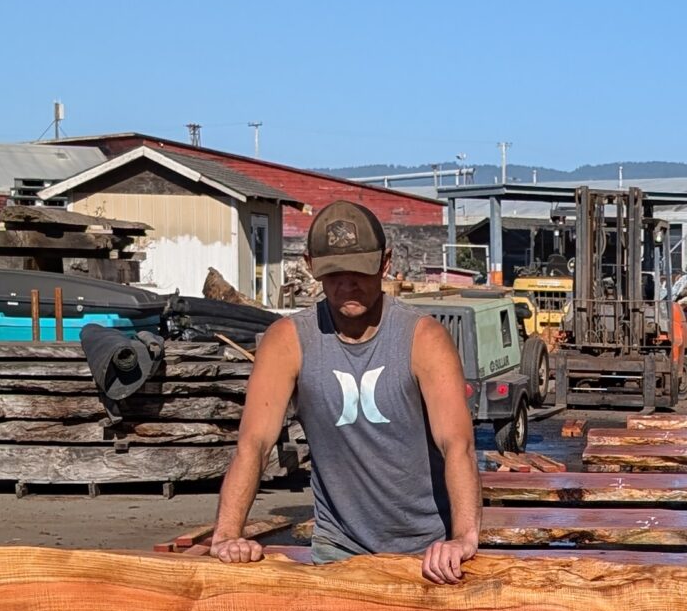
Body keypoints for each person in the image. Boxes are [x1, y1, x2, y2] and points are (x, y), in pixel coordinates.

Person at [205, 199, 482, 583]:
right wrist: (228, 534)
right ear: (311, 266)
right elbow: (254, 444)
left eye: (360, 273)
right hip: (337, 550)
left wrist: (463, 538)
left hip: (425, 551)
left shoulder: (422, 339)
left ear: (384, 264)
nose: (347, 285)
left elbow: (458, 444)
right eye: (335, 275)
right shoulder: (289, 342)